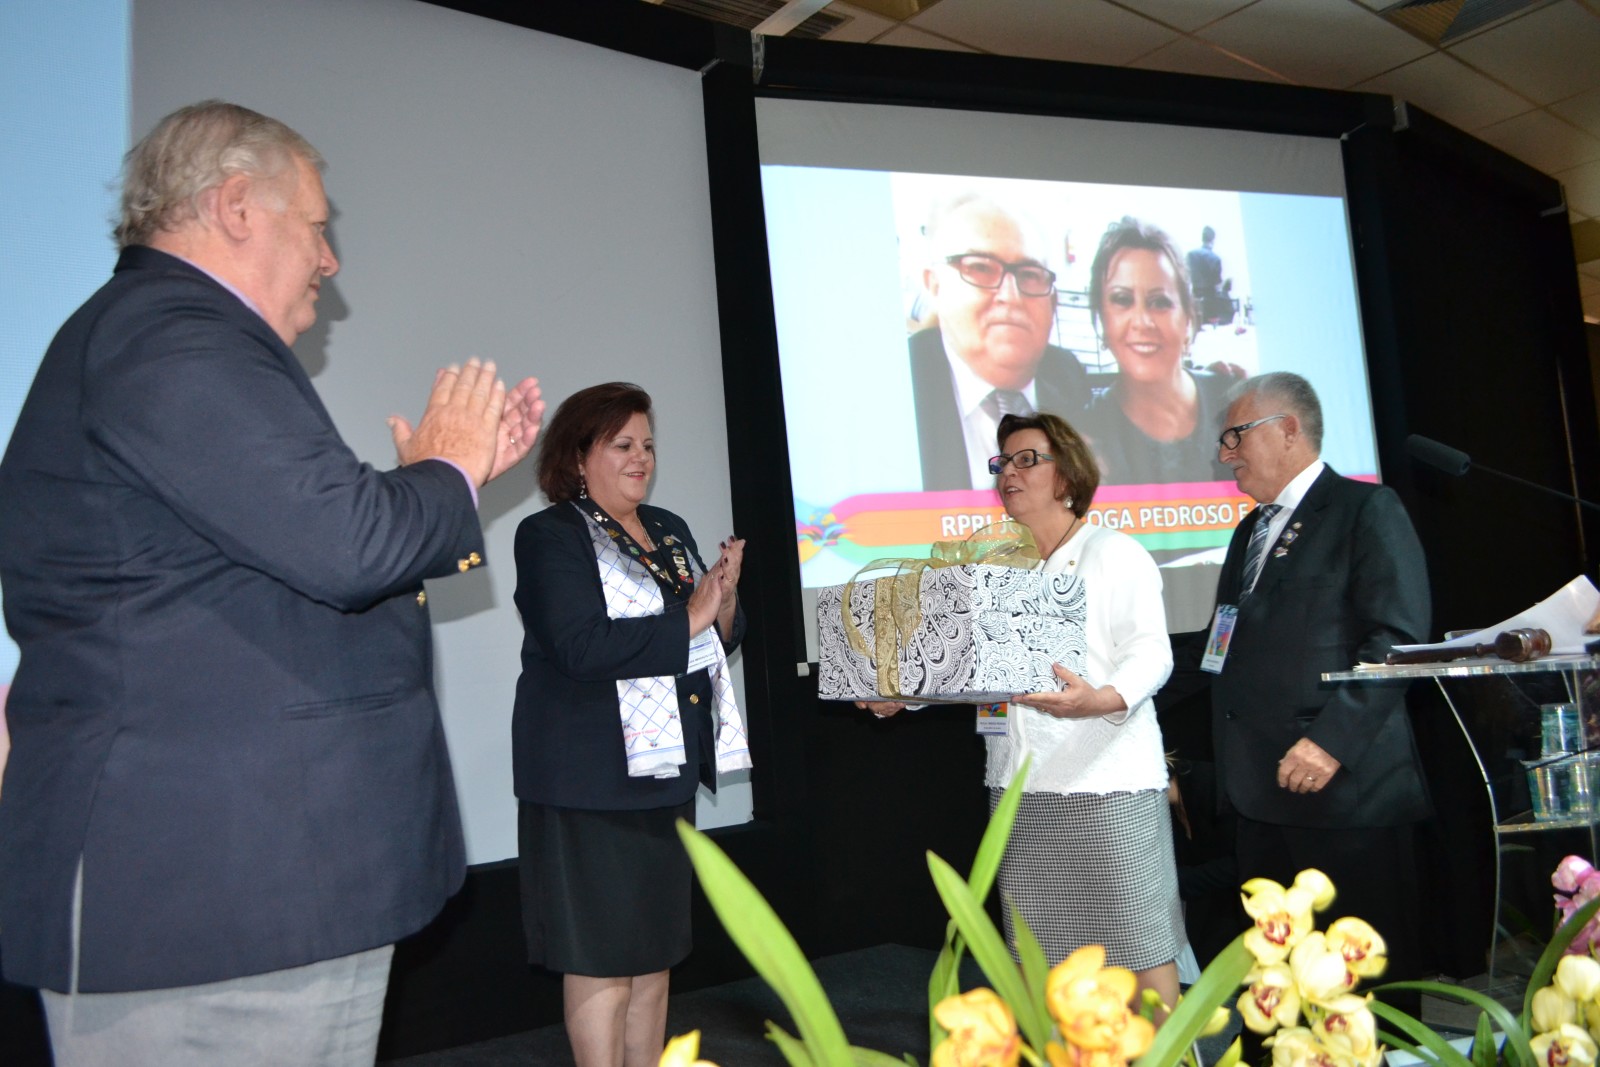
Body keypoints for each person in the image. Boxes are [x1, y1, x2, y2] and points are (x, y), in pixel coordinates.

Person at [0, 100, 543, 1065]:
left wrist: (439, 486)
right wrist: (445, 470)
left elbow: (301, 553)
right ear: (238, 205)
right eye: (319, 226)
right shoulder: (167, 333)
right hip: (212, 902)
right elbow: (349, 544)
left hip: (244, 895)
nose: (329, 261)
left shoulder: (162, 337)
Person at [863, 412, 1181, 1012]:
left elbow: (1151, 654)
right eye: (1003, 462)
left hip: (1107, 784)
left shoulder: (1112, 552)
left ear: (1068, 474)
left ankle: (1171, 1053)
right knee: (1038, 958)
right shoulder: (996, 568)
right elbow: (969, 668)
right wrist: (902, 695)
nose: (1009, 471)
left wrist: (1099, 699)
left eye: (1027, 459)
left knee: (1140, 951)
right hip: (1021, 790)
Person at [511, 382, 749, 1067]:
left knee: (653, 955)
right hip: (589, 782)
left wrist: (723, 603)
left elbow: (709, 640)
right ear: (578, 457)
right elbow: (580, 647)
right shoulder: (550, 535)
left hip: (663, 771)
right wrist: (691, 616)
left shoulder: (668, 528)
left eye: (647, 444)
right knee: (602, 958)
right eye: (622, 444)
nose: (641, 457)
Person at [1201, 371, 1431, 981]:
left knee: (1361, 990)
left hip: (1342, 793)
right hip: (1259, 793)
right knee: (1281, 988)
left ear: (1287, 429)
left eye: (1234, 436)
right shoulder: (1250, 530)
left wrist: (1330, 742)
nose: (1225, 455)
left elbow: (1398, 641)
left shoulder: (1365, 510)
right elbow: (1221, 646)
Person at [908, 194, 1090, 491]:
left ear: (1053, 301)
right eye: (981, 268)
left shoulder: (1067, 376)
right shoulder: (898, 385)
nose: (1010, 296)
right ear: (935, 286)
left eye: (1029, 275)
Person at [1077, 217, 1235, 485]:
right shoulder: (1080, 437)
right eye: (1122, 300)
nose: (1142, 322)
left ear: (1188, 320)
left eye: (1160, 302)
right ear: (1102, 321)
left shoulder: (1238, 404)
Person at [1185, 224, 1232, 326]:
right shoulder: (1215, 258)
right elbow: (1217, 285)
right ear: (1213, 240)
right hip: (1211, 304)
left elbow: (1186, 277)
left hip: (1195, 301)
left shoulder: (1191, 255)